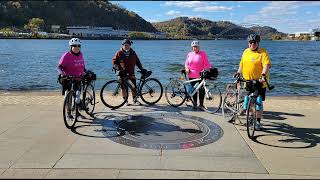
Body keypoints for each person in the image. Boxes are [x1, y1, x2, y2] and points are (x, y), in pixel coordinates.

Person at [234, 34, 272, 130]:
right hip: (248, 81)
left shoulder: (263, 53)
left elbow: (266, 65)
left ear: (258, 43)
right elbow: (241, 64)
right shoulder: (246, 52)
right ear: (248, 43)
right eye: (250, 42)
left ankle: (258, 122)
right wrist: (238, 72)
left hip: (259, 82)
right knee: (249, 101)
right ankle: (250, 116)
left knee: (258, 101)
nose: (252, 44)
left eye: (254, 42)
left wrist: (263, 75)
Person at [112, 39, 146, 105]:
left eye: (127, 45)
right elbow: (114, 61)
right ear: (122, 45)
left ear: (130, 45)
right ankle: (125, 101)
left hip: (131, 73)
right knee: (123, 87)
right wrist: (117, 67)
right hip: (122, 73)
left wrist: (141, 69)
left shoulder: (133, 53)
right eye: (125, 45)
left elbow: (137, 62)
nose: (126, 47)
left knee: (133, 87)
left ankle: (135, 100)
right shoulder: (119, 52)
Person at [185, 40, 212, 110]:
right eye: (193, 47)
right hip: (191, 75)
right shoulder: (189, 54)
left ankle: (201, 105)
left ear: (198, 47)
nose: (195, 48)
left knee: (201, 91)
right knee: (194, 91)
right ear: (192, 47)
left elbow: (207, 63)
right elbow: (186, 64)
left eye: (196, 47)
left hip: (200, 75)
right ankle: (194, 104)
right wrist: (187, 68)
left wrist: (209, 69)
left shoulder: (203, 54)